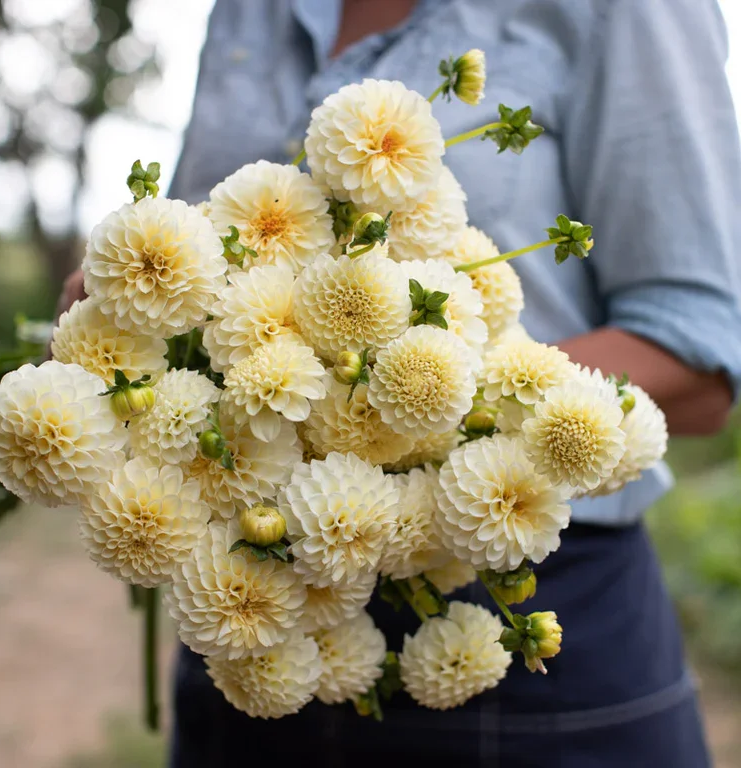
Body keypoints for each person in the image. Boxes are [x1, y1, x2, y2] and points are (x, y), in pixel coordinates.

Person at [58, 0, 741, 765]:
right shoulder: (248, 11)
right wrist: (128, 313)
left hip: (524, 598)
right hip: (245, 618)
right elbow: (197, 234)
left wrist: (443, 410)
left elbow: (701, 349)